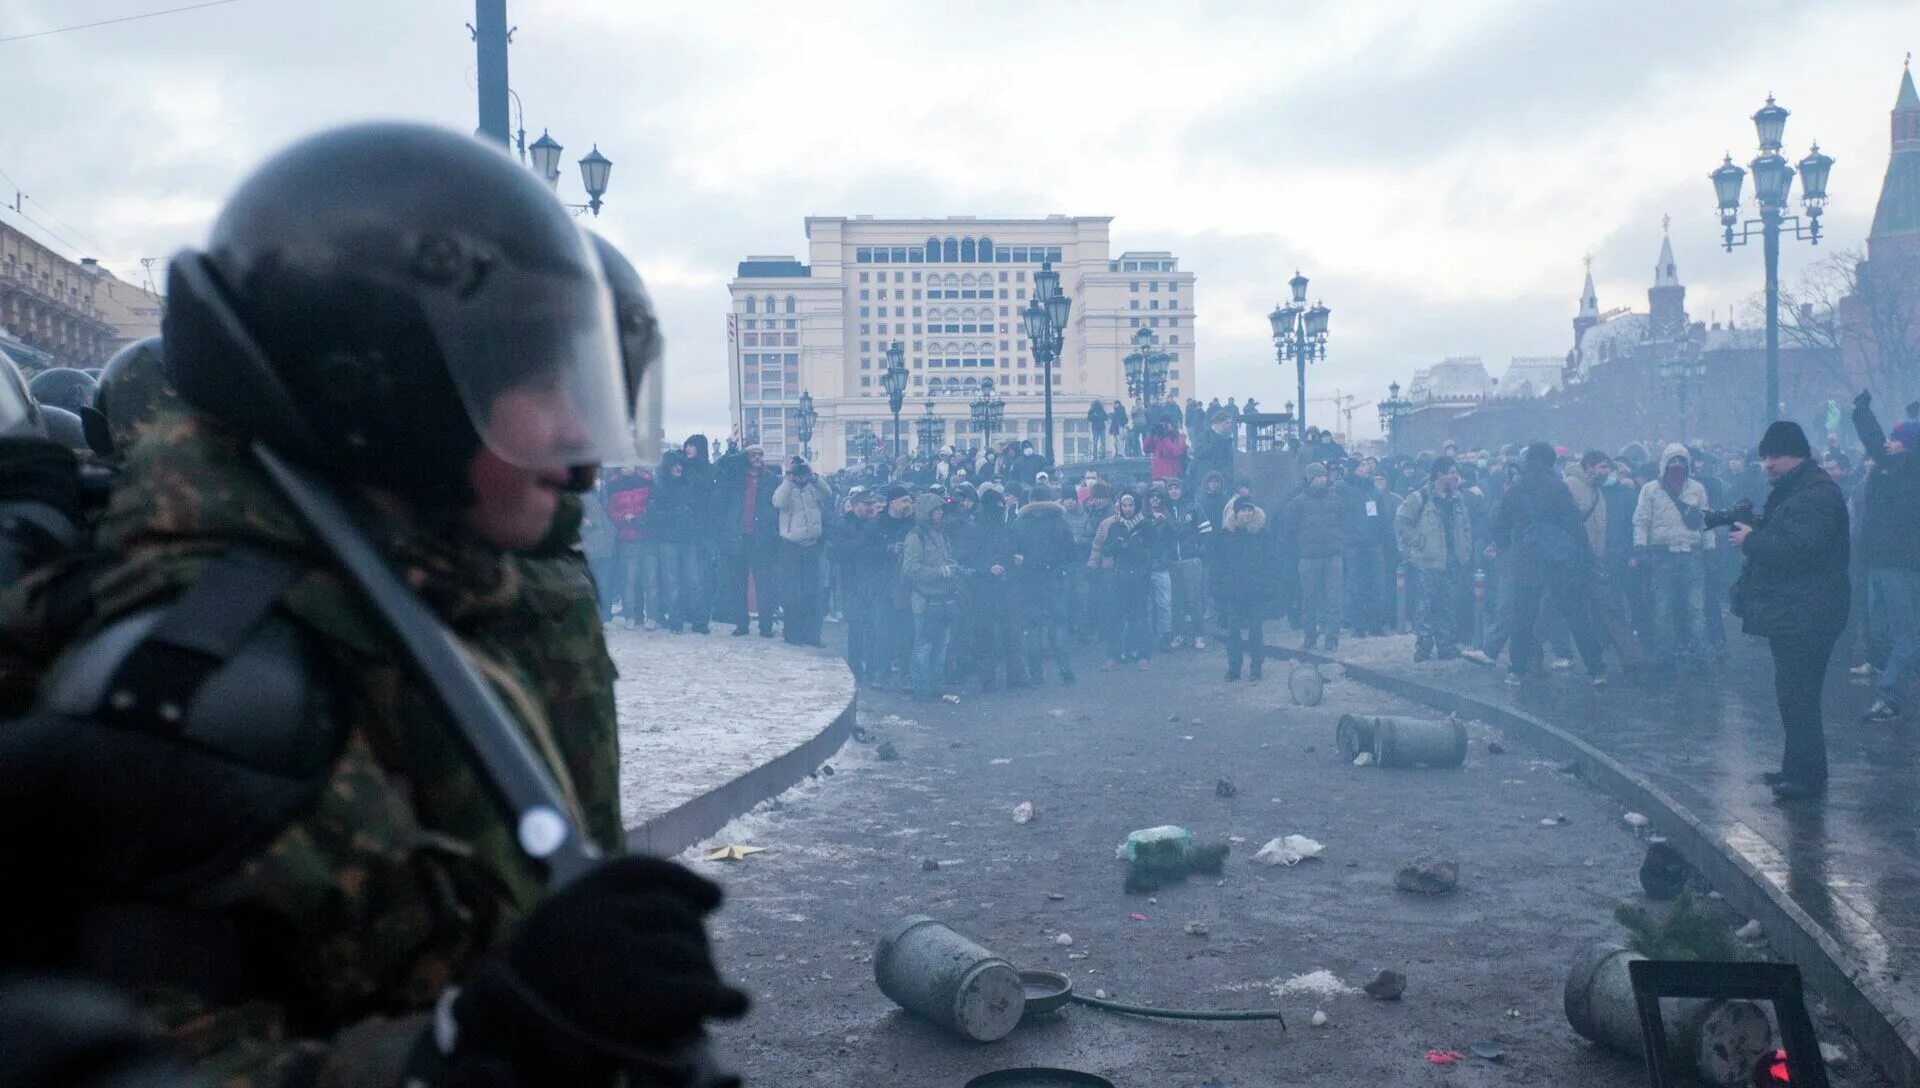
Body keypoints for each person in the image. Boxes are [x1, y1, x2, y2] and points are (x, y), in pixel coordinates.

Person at [0, 123, 743, 1086]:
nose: (580, 436)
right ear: (389, 386)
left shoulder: (404, 603)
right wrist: (472, 1051)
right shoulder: (218, 691)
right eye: (535, 376)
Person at [1730, 421, 1850, 801]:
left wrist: (1752, 541)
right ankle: (1799, 767)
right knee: (1793, 693)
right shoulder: (1800, 489)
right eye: (1765, 456)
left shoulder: (1814, 495)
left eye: (1775, 456)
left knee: (1798, 693)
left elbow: (1799, 552)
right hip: (1799, 609)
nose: (1768, 464)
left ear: (1795, 454)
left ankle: (1806, 778)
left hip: (1809, 611)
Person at [1489, 442, 1608, 686]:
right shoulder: (1558, 488)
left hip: (1526, 560)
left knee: (1523, 616)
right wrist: (1586, 557)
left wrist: (1506, 547)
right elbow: (1574, 527)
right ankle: (1596, 670)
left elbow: (1499, 525)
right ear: (1552, 462)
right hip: (1559, 561)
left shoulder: (1513, 490)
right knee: (1576, 615)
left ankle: (1516, 670)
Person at [1851, 391, 1920, 722]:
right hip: (1886, 563)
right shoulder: (1889, 467)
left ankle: (1890, 696)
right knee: (1890, 631)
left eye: (1896, 440)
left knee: (1904, 634)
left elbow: (1876, 441)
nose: (1888, 444)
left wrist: (1862, 411)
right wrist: (1861, 410)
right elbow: (1874, 439)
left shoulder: (1905, 470)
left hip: (1902, 565)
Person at [1632, 443, 1714, 670]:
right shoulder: (1650, 490)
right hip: (1662, 557)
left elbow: (1706, 521)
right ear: (1664, 464)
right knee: (1662, 610)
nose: (1677, 465)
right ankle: (1665, 657)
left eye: (1681, 461)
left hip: (1692, 555)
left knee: (1696, 609)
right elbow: (1641, 521)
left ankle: (1701, 657)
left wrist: (1710, 549)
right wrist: (1640, 547)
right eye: (1673, 461)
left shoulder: (1697, 489)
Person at [1397, 456, 1474, 661]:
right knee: (1425, 606)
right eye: (1452, 472)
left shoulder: (1457, 499)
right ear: (1439, 474)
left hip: (1451, 560)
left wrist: (1465, 547)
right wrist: (1417, 541)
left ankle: (1446, 646)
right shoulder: (1419, 497)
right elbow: (1401, 522)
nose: (1456, 476)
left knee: (1447, 605)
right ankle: (1423, 648)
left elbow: (1465, 525)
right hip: (1426, 561)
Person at [1013, 483, 1078, 684]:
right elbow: (1072, 553)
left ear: (1030, 499)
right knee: (1059, 624)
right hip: (1056, 578)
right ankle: (1065, 671)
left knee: (1033, 628)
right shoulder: (1060, 521)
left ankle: (1036, 675)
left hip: (1030, 580)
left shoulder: (1019, 523)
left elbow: (1014, 553)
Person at [715, 442, 780, 637]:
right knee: (738, 585)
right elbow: (721, 466)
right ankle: (741, 624)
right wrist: (738, 456)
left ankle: (766, 626)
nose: (758, 458)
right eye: (753, 455)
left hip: (762, 538)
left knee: (764, 585)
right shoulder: (735, 479)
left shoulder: (772, 480)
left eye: (760, 454)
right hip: (738, 537)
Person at [902, 490, 961, 699]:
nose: (940, 514)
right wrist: (939, 572)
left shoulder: (941, 534)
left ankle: (936, 686)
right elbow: (909, 569)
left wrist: (953, 567)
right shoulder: (915, 537)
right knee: (923, 646)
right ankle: (921, 689)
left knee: (940, 646)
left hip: (944, 599)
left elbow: (948, 557)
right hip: (924, 601)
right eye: (936, 511)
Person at [1090, 489, 1157, 669]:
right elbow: (1105, 550)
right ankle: (1113, 655)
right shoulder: (1115, 526)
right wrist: (1116, 545)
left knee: (1140, 617)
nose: (1128, 509)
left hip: (1140, 577)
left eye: (1131, 505)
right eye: (1125, 505)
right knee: (1115, 617)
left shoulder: (1146, 525)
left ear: (1137, 506)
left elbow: (1154, 550)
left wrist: (1140, 553)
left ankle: (1143, 655)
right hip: (1119, 576)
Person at [772, 455, 832, 646]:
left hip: (813, 545)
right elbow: (778, 502)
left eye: (802, 472)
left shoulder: (813, 489)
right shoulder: (785, 488)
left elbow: (828, 494)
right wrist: (789, 480)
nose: (800, 476)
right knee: (792, 592)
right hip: (791, 546)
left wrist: (813, 477)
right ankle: (792, 634)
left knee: (812, 593)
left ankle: (812, 636)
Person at [1286, 461, 1347, 651]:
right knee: (1309, 600)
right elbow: (1290, 530)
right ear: (1310, 479)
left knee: (1334, 599)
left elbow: (1345, 524)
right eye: (1318, 476)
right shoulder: (1297, 503)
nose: (1322, 479)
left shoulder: (1336, 499)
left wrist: (1340, 545)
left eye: (1324, 476)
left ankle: (1331, 640)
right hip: (1309, 558)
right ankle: (1310, 637)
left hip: (1333, 557)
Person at [1216, 495, 1276, 681]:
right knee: (1233, 632)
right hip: (1233, 591)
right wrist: (1219, 587)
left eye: (1250, 510)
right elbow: (1220, 564)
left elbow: (1270, 562)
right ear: (1236, 512)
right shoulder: (1226, 536)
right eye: (1243, 510)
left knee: (1256, 631)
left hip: (1256, 590)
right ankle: (1234, 669)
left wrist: (1268, 586)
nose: (1247, 514)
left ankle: (1256, 668)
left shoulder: (1262, 535)